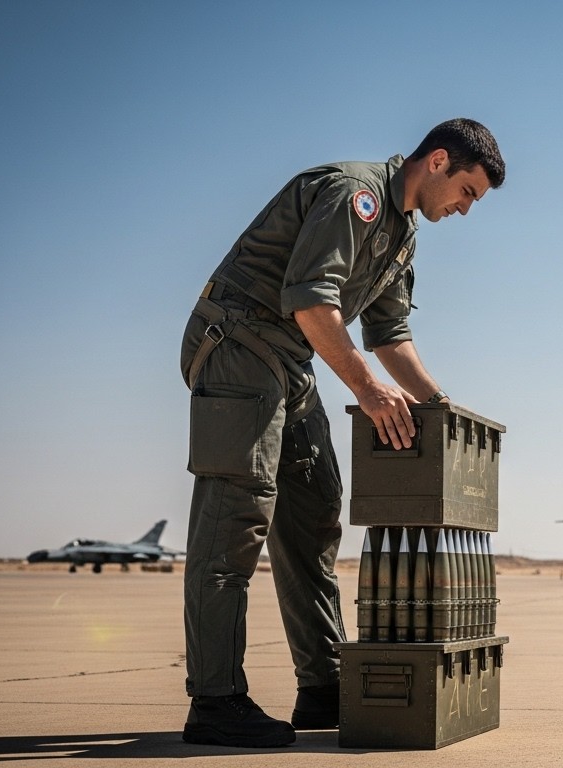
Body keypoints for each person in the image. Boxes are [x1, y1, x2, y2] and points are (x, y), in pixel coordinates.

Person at [177, 118, 505, 747]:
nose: (465, 210)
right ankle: (215, 700)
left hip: (289, 360)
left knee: (315, 510)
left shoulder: (402, 233)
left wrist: (439, 406)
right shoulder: (356, 195)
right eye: (468, 193)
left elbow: (389, 337)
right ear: (438, 161)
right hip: (239, 343)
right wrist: (365, 388)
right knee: (235, 521)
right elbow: (311, 301)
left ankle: (323, 686)